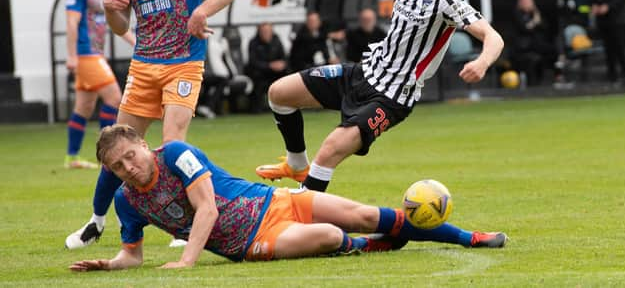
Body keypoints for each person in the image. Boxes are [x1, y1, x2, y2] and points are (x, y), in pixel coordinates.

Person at [256, 0, 504, 192]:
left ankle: (301, 216)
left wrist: (482, 62)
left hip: (391, 98)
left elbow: (492, 36)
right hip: (364, 73)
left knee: (330, 150)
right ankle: (296, 165)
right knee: (279, 93)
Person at [69, 125, 507, 271]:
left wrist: (186, 262)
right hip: (250, 244)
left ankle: (471, 237)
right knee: (330, 235)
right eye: (118, 167)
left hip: (275, 201)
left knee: (366, 213)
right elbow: (134, 256)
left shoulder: (177, 154)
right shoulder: (127, 201)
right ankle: (368, 246)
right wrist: (108, 264)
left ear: (144, 146)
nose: (129, 167)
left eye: (130, 156)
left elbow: (207, 207)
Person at [65, 0, 241, 249]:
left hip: (184, 62)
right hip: (144, 65)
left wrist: (202, 11)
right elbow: (119, 26)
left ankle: (188, 225)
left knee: (173, 146)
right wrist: (112, 8)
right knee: (117, 145)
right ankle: (97, 221)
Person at [64, 0, 135, 169]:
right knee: (114, 99)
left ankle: (71, 158)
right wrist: (72, 55)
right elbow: (72, 23)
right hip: (87, 54)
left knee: (84, 108)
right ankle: (109, 155)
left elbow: (118, 25)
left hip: (97, 54)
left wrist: (137, 44)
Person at [512, 0, 559, 85]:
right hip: (524, 47)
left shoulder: (535, 13)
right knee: (535, 57)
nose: (528, 3)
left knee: (554, 51)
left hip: (538, 45)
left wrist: (537, 18)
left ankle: (557, 76)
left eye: (529, 0)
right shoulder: (517, 14)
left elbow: (545, 27)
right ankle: (533, 83)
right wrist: (534, 22)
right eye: (525, 1)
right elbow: (524, 28)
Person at [246, 23, 288, 112]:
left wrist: (282, 64)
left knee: (287, 77)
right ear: (259, 32)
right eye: (264, 31)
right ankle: (257, 108)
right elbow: (253, 62)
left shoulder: (277, 41)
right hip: (260, 73)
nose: (266, 33)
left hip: (276, 73)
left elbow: (283, 57)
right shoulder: (253, 43)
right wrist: (269, 66)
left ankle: (286, 105)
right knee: (257, 79)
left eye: (268, 31)